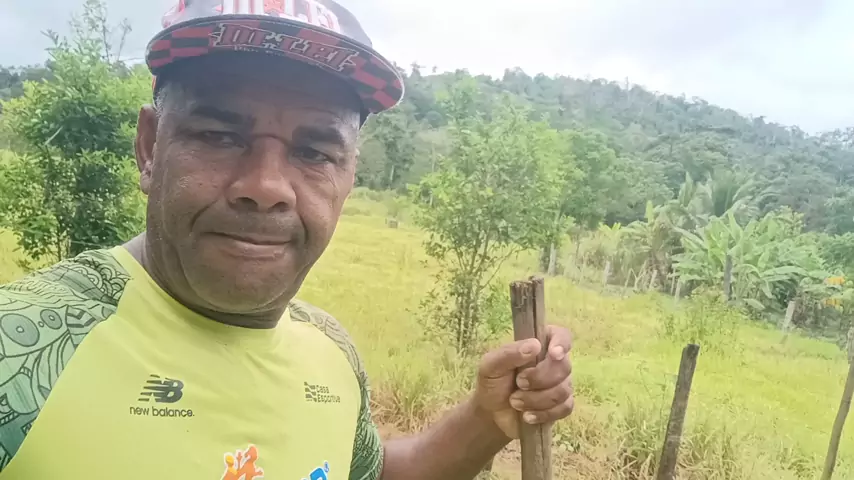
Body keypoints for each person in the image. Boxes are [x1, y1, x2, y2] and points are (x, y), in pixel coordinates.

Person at [0, 1, 574, 478]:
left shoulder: (331, 352)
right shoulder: (19, 354)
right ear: (150, 147)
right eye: (220, 135)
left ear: (348, 177)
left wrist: (486, 419)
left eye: (313, 152)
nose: (266, 187)